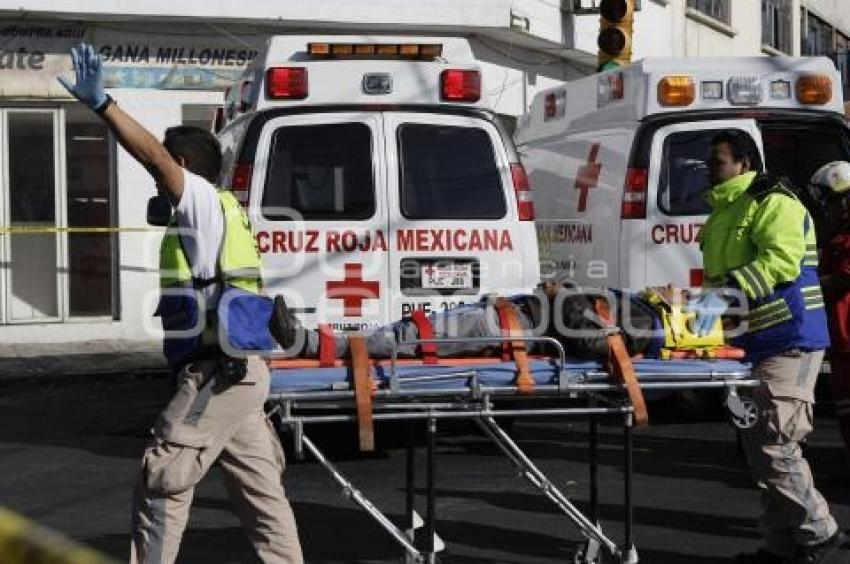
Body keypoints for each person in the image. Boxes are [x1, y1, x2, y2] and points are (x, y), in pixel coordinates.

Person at [58, 43, 303, 563]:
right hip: (242, 374)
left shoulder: (199, 201)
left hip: (220, 375)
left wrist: (103, 105)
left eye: (168, 167)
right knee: (262, 496)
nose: (159, 177)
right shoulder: (222, 211)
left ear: (185, 165)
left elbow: (153, 155)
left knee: (163, 478)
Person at [687, 130, 845, 563]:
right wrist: (704, 315)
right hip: (752, 342)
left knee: (775, 441)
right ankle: (781, 547)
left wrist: (726, 294)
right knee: (759, 447)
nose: (709, 169)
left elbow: (780, 261)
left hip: (790, 336)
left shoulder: (774, 203)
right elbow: (719, 279)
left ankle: (820, 531)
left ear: (745, 163)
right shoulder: (724, 213)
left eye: (717, 161)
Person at [271, 281, 664, 361]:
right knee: (408, 331)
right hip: (508, 313)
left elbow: (588, 341)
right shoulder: (635, 303)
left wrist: (562, 296)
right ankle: (310, 339)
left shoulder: (644, 324)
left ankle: (306, 343)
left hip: (508, 327)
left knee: (408, 338)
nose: (672, 288)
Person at [811, 161, 850, 466]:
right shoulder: (838, 235)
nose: (828, 208)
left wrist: (804, 286)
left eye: (831, 200)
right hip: (840, 338)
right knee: (844, 407)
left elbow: (843, 278)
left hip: (847, 336)